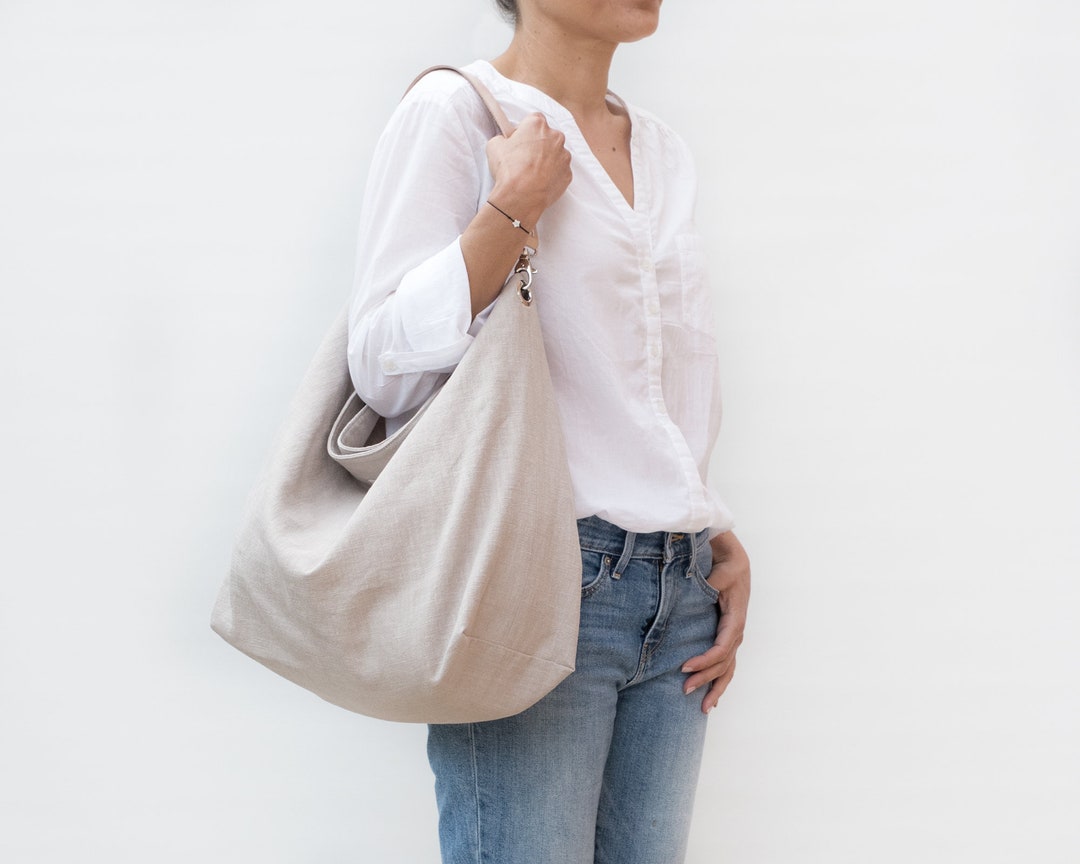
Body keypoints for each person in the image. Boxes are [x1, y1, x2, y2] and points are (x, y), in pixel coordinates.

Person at [346, 1, 751, 861]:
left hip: (676, 597)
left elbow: (643, 381)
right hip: (537, 579)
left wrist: (704, 524)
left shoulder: (663, 150)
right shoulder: (457, 112)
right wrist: (512, 208)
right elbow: (382, 365)